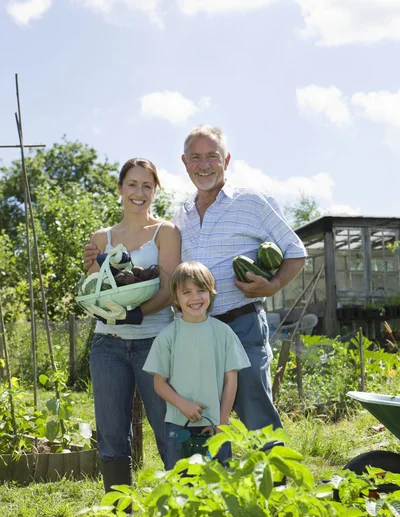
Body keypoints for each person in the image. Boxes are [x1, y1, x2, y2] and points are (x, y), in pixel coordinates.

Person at [84, 126, 306, 439]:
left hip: (240, 325)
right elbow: (149, 268)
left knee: (256, 413)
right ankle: (212, 485)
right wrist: (100, 257)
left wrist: (271, 286)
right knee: (202, 418)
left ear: (226, 160)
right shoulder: (180, 217)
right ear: (185, 162)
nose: (204, 164)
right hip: (193, 332)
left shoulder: (253, 202)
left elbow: (295, 253)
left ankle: (278, 484)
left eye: (212, 156)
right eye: (196, 157)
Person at [82, 157, 181, 493]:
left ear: (155, 190)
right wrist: (93, 275)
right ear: (120, 189)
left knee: (169, 427)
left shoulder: (165, 233)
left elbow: (168, 288)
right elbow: (98, 292)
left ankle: (179, 512)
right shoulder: (101, 238)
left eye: (147, 185)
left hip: (155, 342)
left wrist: (137, 315)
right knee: (111, 435)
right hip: (107, 345)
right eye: (133, 184)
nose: (139, 192)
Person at [143, 261, 250, 470]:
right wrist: (183, 404)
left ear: (211, 293)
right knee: (180, 487)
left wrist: (223, 420)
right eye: (186, 292)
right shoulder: (167, 336)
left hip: (216, 427)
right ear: (176, 297)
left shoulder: (224, 332)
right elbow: (159, 383)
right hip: (178, 426)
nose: (194, 298)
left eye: (201, 290)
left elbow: (231, 380)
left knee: (219, 488)